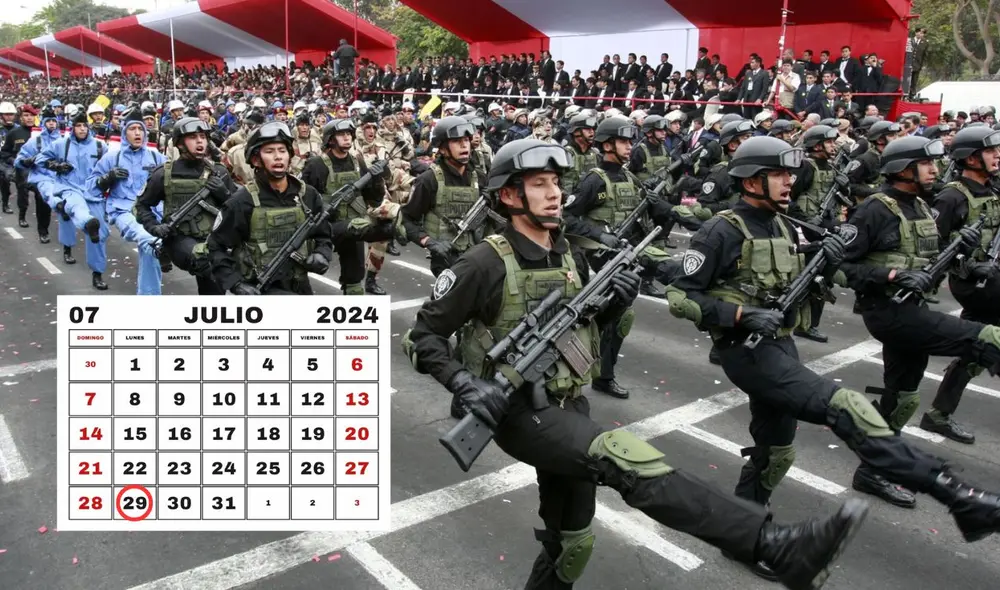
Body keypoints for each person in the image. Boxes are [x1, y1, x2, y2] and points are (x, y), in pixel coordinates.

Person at [404, 138, 870, 590]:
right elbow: (423, 336)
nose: (554, 193)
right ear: (509, 195)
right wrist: (464, 383)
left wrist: (611, 305)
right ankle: (769, 542)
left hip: (568, 405)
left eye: (555, 182)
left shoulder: (566, 252)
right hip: (518, 413)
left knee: (573, 544)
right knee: (629, 459)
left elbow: (577, 333)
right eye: (539, 184)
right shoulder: (481, 263)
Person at [665, 135, 1000, 580]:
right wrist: (739, 314)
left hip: (780, 344)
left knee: (775, 452)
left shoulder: (784, 223)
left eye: (789, 173)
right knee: (844, 406)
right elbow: (678, 295)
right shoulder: (721, 229)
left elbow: (832, 269)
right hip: (745, 352)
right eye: (780, 174)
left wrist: (836, 262)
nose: (790, 181)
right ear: (751, 181)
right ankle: (954, 492)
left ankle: (742, 538)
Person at [839, 134, 1000, 510]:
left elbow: (935, 256)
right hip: (890, 313)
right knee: (987, 338)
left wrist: (965, 261)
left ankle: (872, 470)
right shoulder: (874, 210)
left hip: (915, 309)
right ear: (902, 168)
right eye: (926, 163)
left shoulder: (923, 207)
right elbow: (840, 266)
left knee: (904, 396)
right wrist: (889, 278)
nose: (934, 169)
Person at [925, 126, 1000, 444]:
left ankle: (939, 414)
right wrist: (969, 267)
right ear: (970, 158)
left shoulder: (993, 188)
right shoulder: (951, 196)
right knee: (986, 346)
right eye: (990, 151)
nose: (997, 155)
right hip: (976, 285)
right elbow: (930, 248)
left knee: (975, 350)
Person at [205, 121, 334, 295]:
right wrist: (235, 284)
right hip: (261, 288)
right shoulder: (242, 201)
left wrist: (322, 254)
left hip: (300, 284)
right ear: (256, 159)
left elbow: (323, 234)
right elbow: (215, 247)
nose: (278, 157)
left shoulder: (307, 195)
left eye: (282, 151)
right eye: (270, 151)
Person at [136, 117, 237, 295]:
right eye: (193, 137)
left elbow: (239, 211)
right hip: (179, 239)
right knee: (207, 263)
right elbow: (141, 206)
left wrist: (225, 194)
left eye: (203, 137)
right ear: (180, 143)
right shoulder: (164, 174)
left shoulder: (219, 172)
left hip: (214, 238)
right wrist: (154, 227)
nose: (200, 141)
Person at [300, 118, 389, 295]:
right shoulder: (316, 165)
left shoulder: (358, 163)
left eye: (349, 134)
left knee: (355, 278)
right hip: (325, 228)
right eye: (341, 134)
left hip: (353, 227)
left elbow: (373, 200)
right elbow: (304, 200)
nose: (347, 137)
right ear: (331, 139)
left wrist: (378, 179)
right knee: (301, 271)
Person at [88, 107, 167, 295]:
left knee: (150, 253)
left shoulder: (156, 156)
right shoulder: (111, 157)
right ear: (124, 132)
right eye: (132, 129)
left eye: (140, 129)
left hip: (153, 211)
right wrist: (107, 178)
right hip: (123, 210)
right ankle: (161, 250)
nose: (137, 133)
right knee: (149, 238)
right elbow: (91, 187)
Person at [31, 109, 110, 289]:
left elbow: (110, 165)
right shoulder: (61, 144)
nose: (82, 129)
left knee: (99, 234)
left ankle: (97, 273)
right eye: (78, 125)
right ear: (72, 128)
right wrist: (56, 165)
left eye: (85, 125)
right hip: (69, 188)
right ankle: (68, 247)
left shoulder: (100, 146)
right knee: (76, 211)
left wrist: (110, 178)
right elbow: (40, 159)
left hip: (93, 193)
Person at [399, 116, 486, 277]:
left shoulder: (479, 178)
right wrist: (428, 241)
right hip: (446, 258)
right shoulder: (428, 180)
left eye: (466, 139)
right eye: (456, 141)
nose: (464, 144)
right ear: (443, 148)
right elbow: (407, 219)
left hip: (476, 256)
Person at [13, 107, 60, 243]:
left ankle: (67, 243)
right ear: (43, 123)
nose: (51, 123)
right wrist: (27, 161)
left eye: (53, 121)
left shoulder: (64, 140)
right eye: (48, 121)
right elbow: (19, 160)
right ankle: (43, 231)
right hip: (41, 177)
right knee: (42, 200)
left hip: (60, 178)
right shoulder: (36, 141)